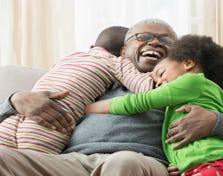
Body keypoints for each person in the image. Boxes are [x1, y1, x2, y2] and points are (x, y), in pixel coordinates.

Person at [0, 19, 223, 176]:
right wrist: (15, 100)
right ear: (122, 49)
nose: (154, 43)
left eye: (166, 40)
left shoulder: (198, 87)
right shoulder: (91, 79)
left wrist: (216, 122)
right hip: (71, 164)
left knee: (123, 162)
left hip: (139, 163)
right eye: (143, 37)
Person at [85, 34, 223, 176]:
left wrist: (87, 108)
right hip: (193, 169)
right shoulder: (200, 94)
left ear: (188, 63)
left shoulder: (193, 81)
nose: (160, 84)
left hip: (213, 164)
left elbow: (139, 102)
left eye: (161, 74)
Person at [0, 25, 152, 154]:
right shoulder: (117, 63)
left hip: (12, 119)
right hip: (51, 122)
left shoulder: (71, 56)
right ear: (124, 52)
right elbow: (146, 88)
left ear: (93, 47)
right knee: (30, 166)